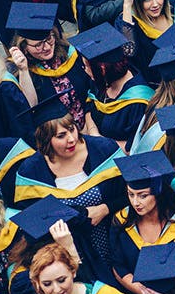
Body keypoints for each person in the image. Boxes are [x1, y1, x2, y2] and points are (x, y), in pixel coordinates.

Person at [14, 96, 125, 263]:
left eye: (72, 129)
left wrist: (105, 208)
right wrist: (84, 214)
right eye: (61, 136)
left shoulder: (104, 150)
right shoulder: (31, 172)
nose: (71, 139)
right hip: (65, 254)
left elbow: (128, 194)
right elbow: (35, 221)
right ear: (46, 140)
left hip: (114, 240)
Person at [109, 151, 175, 294]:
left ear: (158, 193)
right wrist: (146, 293)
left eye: (143, 196)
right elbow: (119, 267)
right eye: (131, 194)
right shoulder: (122, 221)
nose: (135, 202)